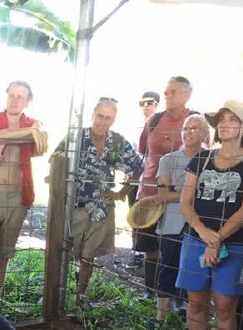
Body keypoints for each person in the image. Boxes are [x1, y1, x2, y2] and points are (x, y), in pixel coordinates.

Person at [174, 100, 243, 330]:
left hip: (237, 244)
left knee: (226, 305)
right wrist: (204, 233)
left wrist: (216, 239)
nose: (226, 123)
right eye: (222, 118)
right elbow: (185, 201)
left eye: (233, 119)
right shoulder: (201, 160)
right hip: (195, 240)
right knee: (195, 302)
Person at [53, 98, 142, 303]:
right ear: (93, 114)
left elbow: (138, 168)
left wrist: (121, 193)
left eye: (108, 118)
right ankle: (56, 296)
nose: (102, 121)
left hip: (101, 208)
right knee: (63, 252)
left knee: (88, 257)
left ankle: (79, 299)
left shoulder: (117, 142)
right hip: (73, 206)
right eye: (99, 116)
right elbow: (55, 163)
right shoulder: (76, 137)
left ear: (113, 120)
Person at [0, 80, 48, 307]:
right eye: (12, 95)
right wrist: (27, 134)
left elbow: (42, 144)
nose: (15, 100)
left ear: (28, 101)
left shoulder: (35, 123)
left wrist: (2, 138)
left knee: (4, 255)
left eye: (20, 96)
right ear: (6, 96)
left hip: (19, 197)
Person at [137, 76, 197, 295]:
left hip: (182, 197)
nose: (168, 96)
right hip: (150, 193)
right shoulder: (153, 121)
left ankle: (177, 298)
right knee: (150, 247)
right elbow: (142, 152)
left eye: (173, 92)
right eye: (166, 92)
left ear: (187, 94)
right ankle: (150, 292)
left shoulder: (196, 121)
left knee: (179, 247)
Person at [151, 114, 208, 321]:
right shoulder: (168, 160)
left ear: (205, 133)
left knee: (194, 273)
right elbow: (162, 195)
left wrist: (180, 195)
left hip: (200, 226)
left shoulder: (212, 160)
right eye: (185, 128)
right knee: (167, 269)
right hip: (172, 224)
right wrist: (193, 195)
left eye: (194, 128)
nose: (188, 132)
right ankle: (159, 319)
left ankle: (186, 317)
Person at [127, 90, 161, 268]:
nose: (146, 106)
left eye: (149, 102)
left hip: (155, 182)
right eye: (142, 103)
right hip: (135, 179)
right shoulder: (134, 127)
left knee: (156, 220)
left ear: (157, 104)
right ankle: (137, 253)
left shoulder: (163, 124)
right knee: (136, 217)